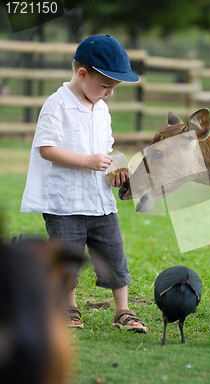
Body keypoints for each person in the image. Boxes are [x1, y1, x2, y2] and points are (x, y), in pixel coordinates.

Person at [21, 34, 147, 333]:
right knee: (67, 257)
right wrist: (88, 161)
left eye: (113, 88)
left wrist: (114, 169)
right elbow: (46, 149)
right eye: (106, 86)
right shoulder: (57, 105)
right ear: (82, 74)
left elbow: (105, 149)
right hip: (64, 202)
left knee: (114, 254)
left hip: (99, 201)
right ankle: (68, 306)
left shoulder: (101, 109)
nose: (110, 94)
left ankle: (123, 311)